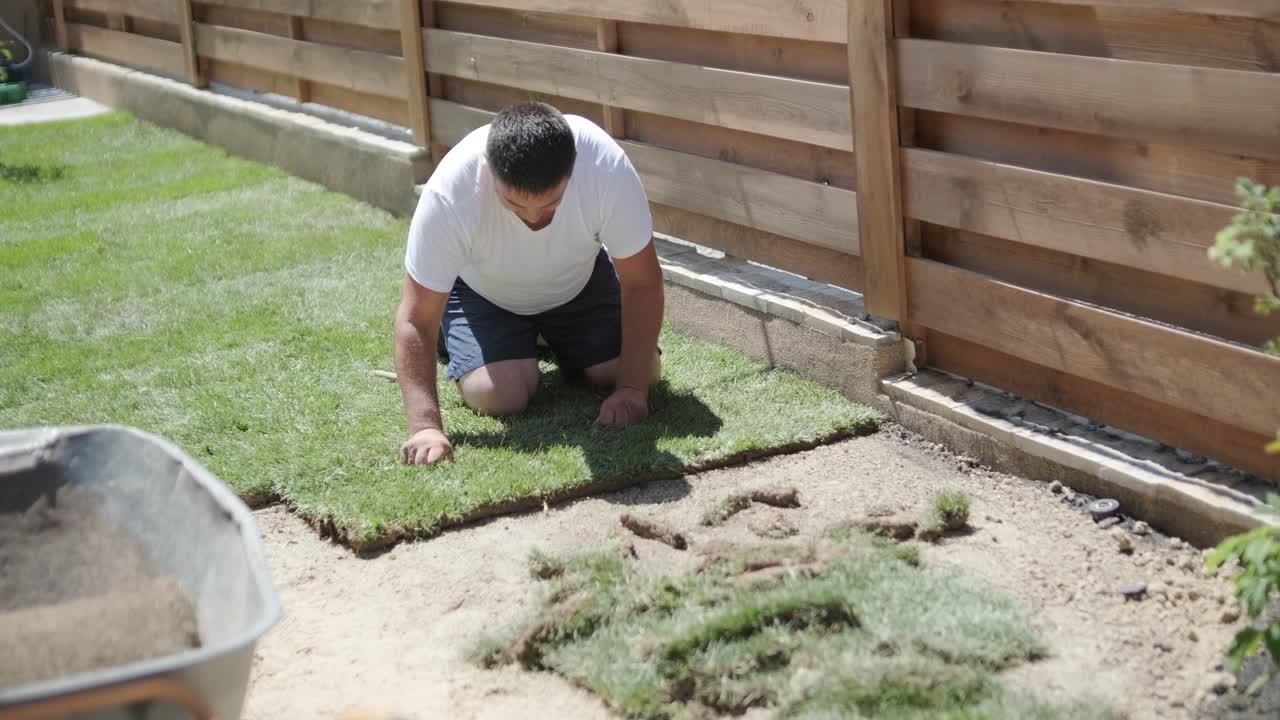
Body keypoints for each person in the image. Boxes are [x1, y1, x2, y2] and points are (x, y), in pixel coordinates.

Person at [394, 102, 665, 465]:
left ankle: (545, 339)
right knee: (498, 396)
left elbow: (642, 283)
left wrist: (631, 390)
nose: (534, 220)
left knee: (641, 371)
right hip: (484, 291)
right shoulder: (451, 192)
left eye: (551, 205)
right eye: (516, 206)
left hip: (578, 281)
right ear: (491, 173)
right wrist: (425, 427)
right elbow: (415, 319)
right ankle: (462, 335)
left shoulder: (605, 167)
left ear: (573, 169)